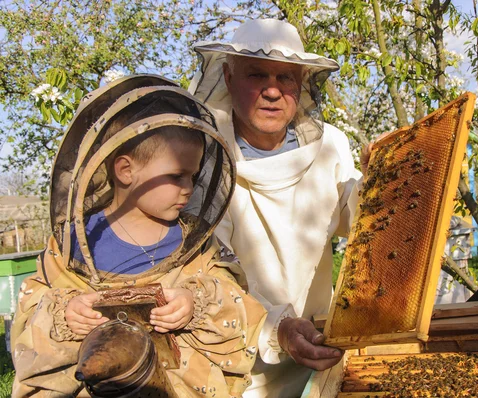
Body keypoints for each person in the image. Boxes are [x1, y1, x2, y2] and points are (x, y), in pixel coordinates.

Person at [11, 75, 267, 397]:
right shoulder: (73, 246)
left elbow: (236, 299)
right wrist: (65, 311)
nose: (188, 188)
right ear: (125, 171)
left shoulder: (196, 244)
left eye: (193, 175)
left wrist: (194, 302)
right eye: (176, 175)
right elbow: (31, 307)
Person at [189, 19, 365, 396]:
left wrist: (384, 179)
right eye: (257, 75)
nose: (272, 91)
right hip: (239, 364)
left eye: (285, 78)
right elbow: (210, 273)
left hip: (323, 346)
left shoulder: (331, 145)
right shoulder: (204, 156)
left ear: (301, 82)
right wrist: (277, 327)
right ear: (228, 77)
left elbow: (360, 222)